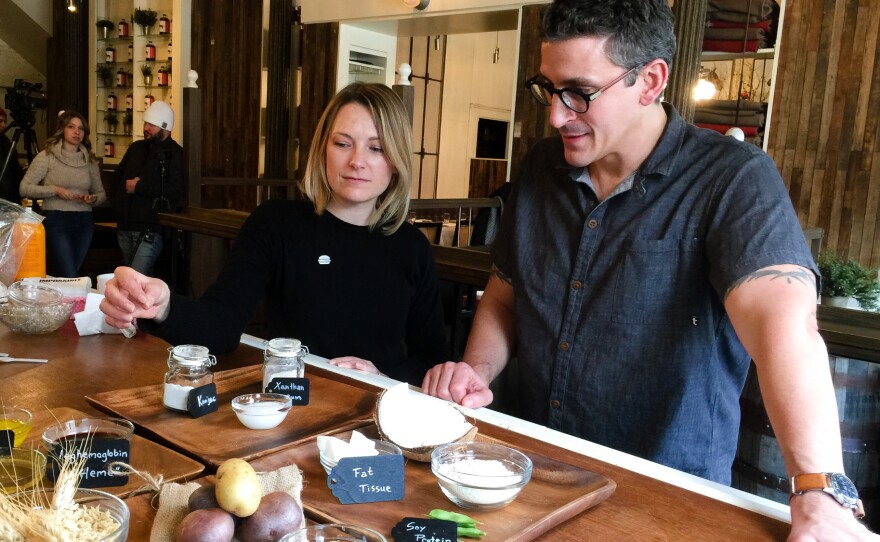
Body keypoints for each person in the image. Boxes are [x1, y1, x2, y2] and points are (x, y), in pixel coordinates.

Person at [422, 1, 877, 539]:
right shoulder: (542, 169)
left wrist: (819, 489)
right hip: (530, 471)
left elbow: (785, 328)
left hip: (663, 495)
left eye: (580, 93)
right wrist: (477, 371)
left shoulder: (732, 179)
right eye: (548, 89)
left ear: (651, 80)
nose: (557, 115)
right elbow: (507, 291)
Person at [100, 83, 448, 386]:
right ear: (322, 149)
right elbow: (221, 323)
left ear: (396, 159)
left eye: (376, 148)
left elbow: (430, 361)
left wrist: (382, 378)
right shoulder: (278, 224)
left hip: (374, 423)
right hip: (288, 409)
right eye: (343, 143)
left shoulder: (412, 249)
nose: (357, 161)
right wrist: (164, 307)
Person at [18, 110, 106, 277]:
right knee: (70, 274)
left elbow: (101, 194)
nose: (76, 132)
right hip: (57, 221)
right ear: (62, 129)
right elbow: (24, 187)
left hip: (84, 221)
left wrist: (92, 199)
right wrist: (54, 190)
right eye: (71, 127)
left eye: (81, 128)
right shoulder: (47, 157)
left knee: (72, 274)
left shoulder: (90, 161)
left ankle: (65, 301)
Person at [110, 100, 183, 277]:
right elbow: (118, 179)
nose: (146, 128)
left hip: (150, 228)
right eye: (146, 123)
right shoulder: (136, 148)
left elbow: (175, 191)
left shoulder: (175, 154)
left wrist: (140, 187)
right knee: (132, 280)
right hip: (125, 225)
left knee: (134, 280)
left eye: (152, 124)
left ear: (165, 128)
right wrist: (116, 205)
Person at [0, 107, 25, 204]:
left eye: (4, 121)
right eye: (0, 121)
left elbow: (14, 169)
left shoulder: (6, 143)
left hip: (9, 196)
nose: (4, 125)